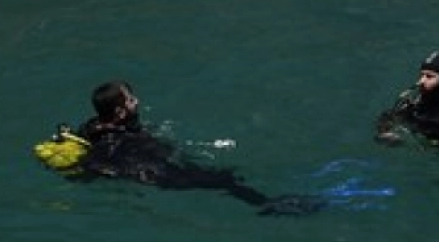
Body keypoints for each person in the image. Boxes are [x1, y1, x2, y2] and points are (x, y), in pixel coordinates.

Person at [62, 80, 321, 215]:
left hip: (137, 166)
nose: (137, 101)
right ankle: (268, 205)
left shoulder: (92, 127)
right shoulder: (122, 137)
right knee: (224, 179)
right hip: (151, 171)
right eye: (131, 100)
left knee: (222, 177)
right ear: (119, 112)